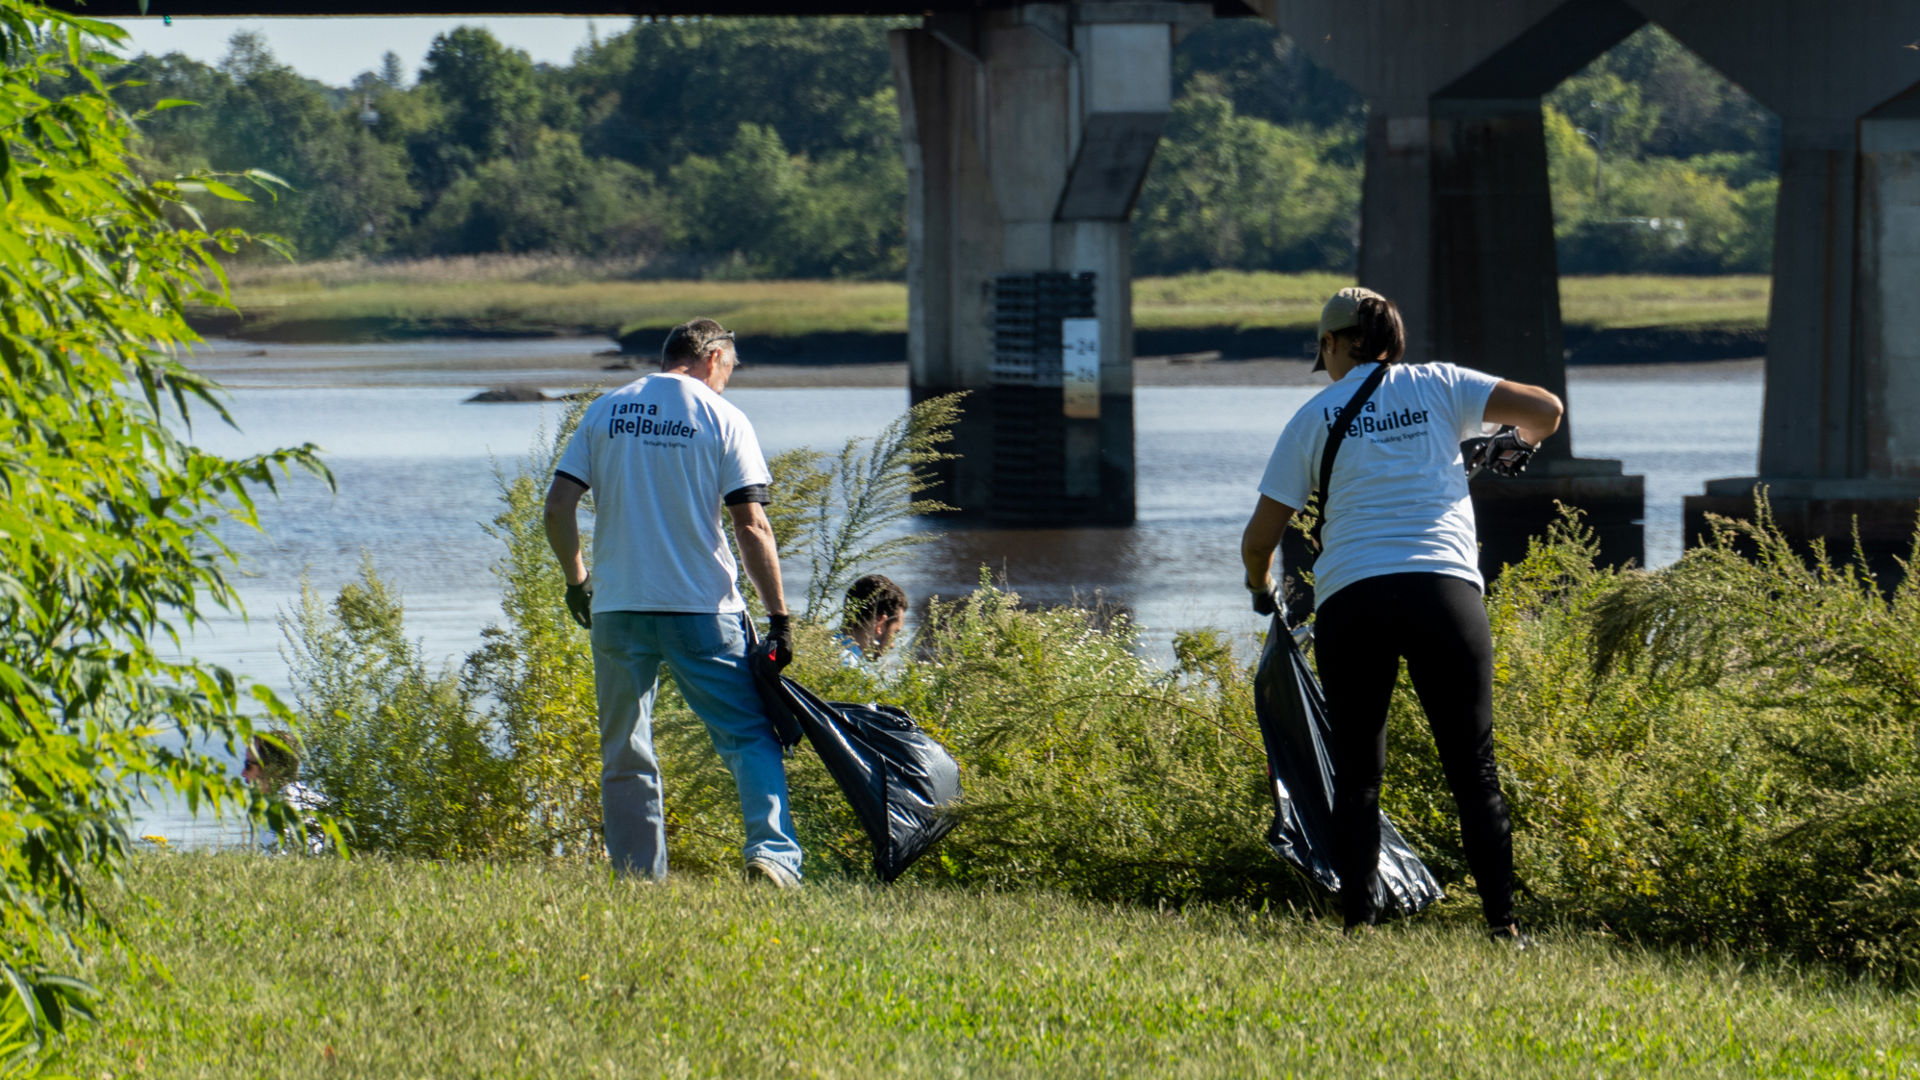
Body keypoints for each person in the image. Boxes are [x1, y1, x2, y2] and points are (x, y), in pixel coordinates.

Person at [1238, 287, 1563, 945]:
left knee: (1356, 773)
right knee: (1473, 768)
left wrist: (1260, 588)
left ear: (1333, 344)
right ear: (1392, 337)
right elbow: (1545, 411)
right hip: (1445, 594)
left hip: (1353, 600)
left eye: (1323, 351)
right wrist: (1508, 444)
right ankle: (1502, 926)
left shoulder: (1313, 415)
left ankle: (1358, 925)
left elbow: (1259, 539)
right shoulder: (1442, 386)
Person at [543, 317, 803, 888]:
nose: (727, 382)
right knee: (747, 735)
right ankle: (773, 858)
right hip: (701, 608)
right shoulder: (723, 417)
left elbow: (558, 509)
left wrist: (577, 581)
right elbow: (752, 524)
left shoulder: (605, 410)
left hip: (617, 608)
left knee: (626, 750)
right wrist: (779, 618)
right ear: (712, 358)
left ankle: (638, 879)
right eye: (729, 370)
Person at [837, 573, 908, 667]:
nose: (892, 645)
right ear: (880, 624)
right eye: (895, 632)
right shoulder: (851, 670)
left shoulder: (817, 647)